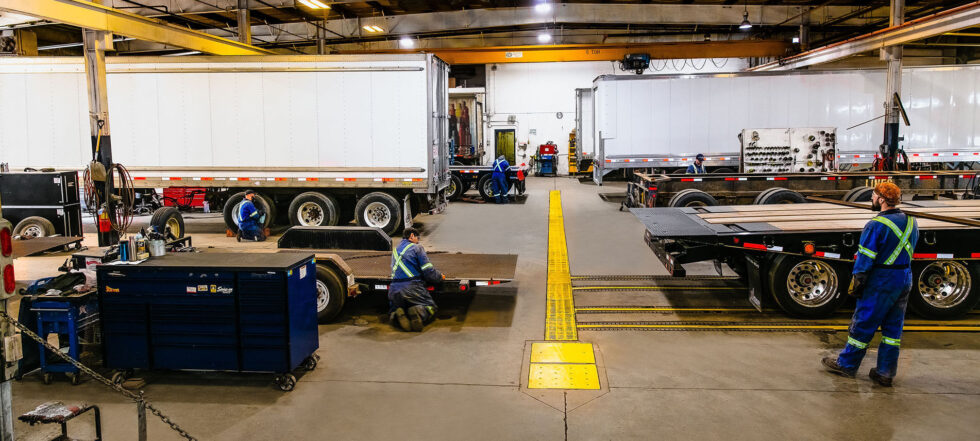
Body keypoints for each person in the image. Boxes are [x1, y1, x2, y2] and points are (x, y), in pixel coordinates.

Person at [822, 182, 917, 387]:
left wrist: (858, 281)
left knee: (864, 322)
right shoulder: (911, 221)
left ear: (882, 199)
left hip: (882, 280)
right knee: (893, 329)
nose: (872, 199)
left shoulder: (875, 225)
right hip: (904, 277)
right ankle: (885, 372)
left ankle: (847, 364)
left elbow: (865, 257)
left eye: (874, 195)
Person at [389, 227, 445, 332]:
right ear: (411, 236)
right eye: (417, 238)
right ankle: (418, 312)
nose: (418, 241)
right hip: (411, 287)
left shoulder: (395, 250)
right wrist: (439, 277)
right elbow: (428, 271)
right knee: (431, 307)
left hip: (394, 290)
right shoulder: (417, 248)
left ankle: (396, 314)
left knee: (398, 306)